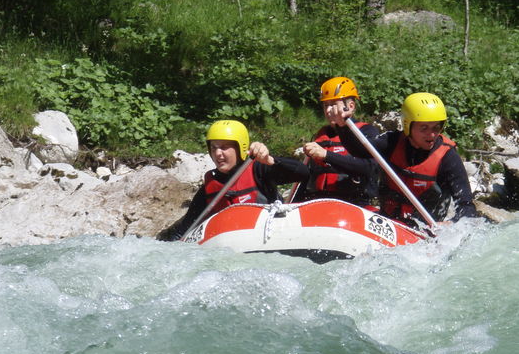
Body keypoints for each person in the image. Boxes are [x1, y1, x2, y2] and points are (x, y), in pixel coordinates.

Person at [326, 92, 477, 226]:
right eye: (424, 128)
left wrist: (452, 224)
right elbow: (360, 150)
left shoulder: (448, 157)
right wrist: (342, 125)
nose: (431, 135)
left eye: (436, 128)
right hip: (388, 224)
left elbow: (467, 207)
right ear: (408, 126)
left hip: (426, 232)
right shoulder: (392, 142)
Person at [168, 120, 309, 241]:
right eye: (214, 147)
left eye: (224, 147)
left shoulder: (259, 170)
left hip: (266, 237)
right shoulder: (210, 186)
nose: (218, 153)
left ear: (240, 148)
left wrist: (270, 161)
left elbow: (303, 173)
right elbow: (185, 229)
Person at [293, 76, 380, 208]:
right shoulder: (321, 135)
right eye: (326, 105)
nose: (328, 111)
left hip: (355, 203)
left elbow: (369, 168)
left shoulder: (367, 132)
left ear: (350, 106)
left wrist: (327, 156)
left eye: (333, 104)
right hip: (319, 202)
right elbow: (308, 177)